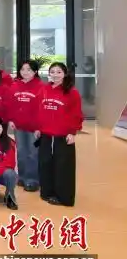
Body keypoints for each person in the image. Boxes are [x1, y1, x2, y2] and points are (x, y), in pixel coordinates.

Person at [37, 62, 83, 207]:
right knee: (45, 163)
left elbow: (76, 114)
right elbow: (39, 110)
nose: (55, 75)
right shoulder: (44, 89)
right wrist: (38, 128)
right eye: (52, 72)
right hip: (46, 134)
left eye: (59, 72)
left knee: (63, 166)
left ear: (65, 74)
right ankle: (47, 192)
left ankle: (63, 197)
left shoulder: (72, 92)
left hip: (63, 135)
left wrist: (72, 132)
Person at [7, 60, 43, 192]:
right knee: (21, 151)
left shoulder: (41, 87)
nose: (25, 72)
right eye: (23, 69)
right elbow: (10, 104)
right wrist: (10, 119)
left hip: (34, 127)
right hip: (18, 126)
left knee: (33, 153)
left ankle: (32, 180)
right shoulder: (15, 85)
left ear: (35, 71)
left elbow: (42, 108)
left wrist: (40, 126)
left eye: (29, 70)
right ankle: (22, 177)